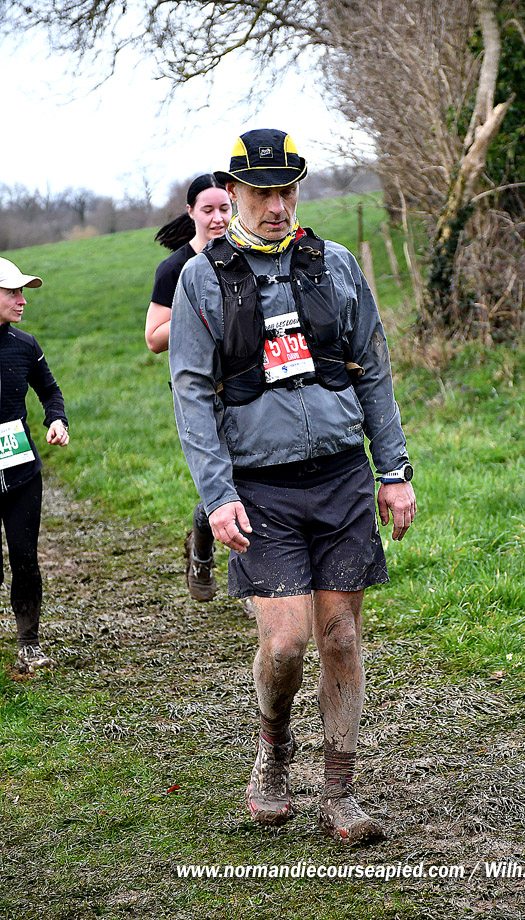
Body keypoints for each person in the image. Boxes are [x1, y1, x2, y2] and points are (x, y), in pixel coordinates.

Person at [169, 129, 416, 843]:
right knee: (284, 645)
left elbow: (374, 369)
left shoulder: (334, 264)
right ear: (233, 193)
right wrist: (218, 495)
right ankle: (273, 749)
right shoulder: (201, 279)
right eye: (261, 193)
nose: (277, 206)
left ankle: (340, 790)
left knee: (340, 637)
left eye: (286, 191)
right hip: (260, 490)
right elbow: (192, 395)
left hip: (340, 480)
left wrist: (393, 471)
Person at [145, 174, 232, 601]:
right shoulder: (175, 269)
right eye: (208, 210)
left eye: (224, 208)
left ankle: (257, 586)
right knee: (228, 479)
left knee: (253, 480)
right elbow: (153, 338)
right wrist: (199, 312)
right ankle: (203, 538)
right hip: (201, 390)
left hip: (250, 383)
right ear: (191, 212)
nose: (218, 218)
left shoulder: (245, 254)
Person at [0, 257, 70, 674]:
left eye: (22, 292)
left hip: (22, 473)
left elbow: (50, 391)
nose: (22, 300)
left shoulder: (25, 345)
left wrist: (57, 420)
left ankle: (29, 644)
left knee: (25, 559)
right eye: (12, 292)